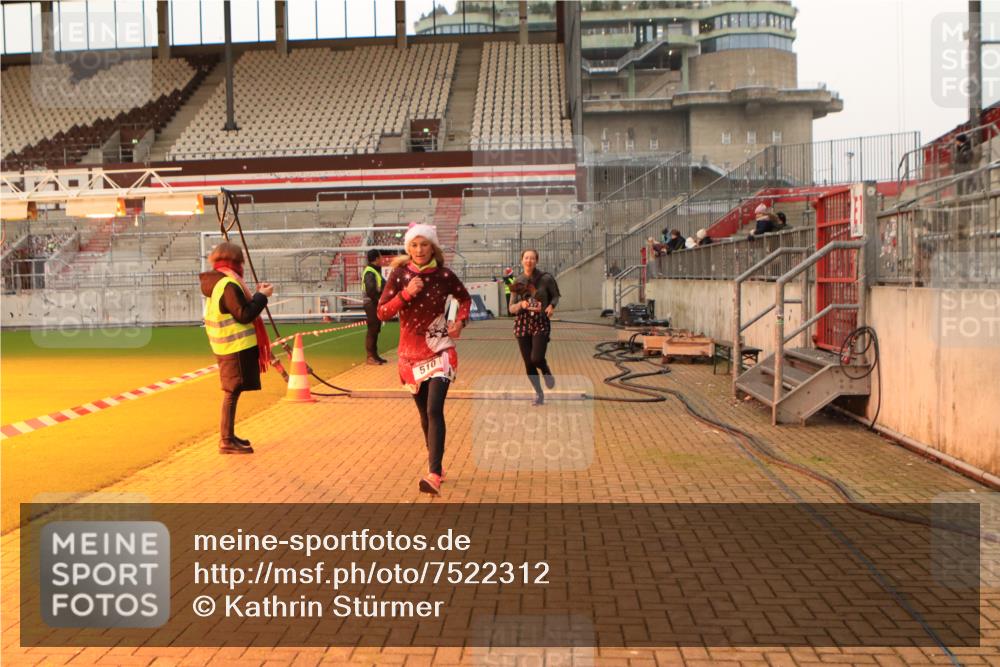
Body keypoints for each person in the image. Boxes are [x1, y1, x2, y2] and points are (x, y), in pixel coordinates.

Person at [378, 223, 471, 495]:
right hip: (410, 356)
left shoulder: (444, 275)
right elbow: (382, 312)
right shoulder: (399, 275)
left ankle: (433, 473)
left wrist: (460, 322)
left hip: (440, 348)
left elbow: (464, 300)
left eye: (425, 244)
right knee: (424, 415)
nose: (419, 250)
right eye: (414, 245)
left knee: (434, 410)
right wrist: (407, 293)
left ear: (433, 247)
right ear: (409, 248)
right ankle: (437, 465)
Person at [199, 242, 273, 455]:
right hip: (234, 347)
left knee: (233, 392)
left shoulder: (218, 283)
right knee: (231, 392)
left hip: (226, 346)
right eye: (240, 261)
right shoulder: (228, 285)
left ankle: (229, 436)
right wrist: (262, 296)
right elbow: (244, 314)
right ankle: (226, 440)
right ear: (235, 261)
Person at [509, 248, 560, 406]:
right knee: (529, 364)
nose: (529, 261)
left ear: (536, 260)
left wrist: (551, 306)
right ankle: (539, 393)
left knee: (536, 358)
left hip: (540, 322)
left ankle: (545, 370)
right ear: (522, 260)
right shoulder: (517, 282)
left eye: (532, 258)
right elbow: (510, 308)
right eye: (526, 258)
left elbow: (556, 296)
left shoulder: (546, 278)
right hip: (523, 324)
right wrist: (521, 304)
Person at [362, 249, 388, 365]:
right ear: (376, 259)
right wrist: (379, 301)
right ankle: (370, 357)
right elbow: (371, 290)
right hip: (372, 304)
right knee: (373, 330)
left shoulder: (374, 271)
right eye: (380, 257)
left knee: (376, 329)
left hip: (374, 303)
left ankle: (375, 355)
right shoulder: (370, 272)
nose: (382, 260)